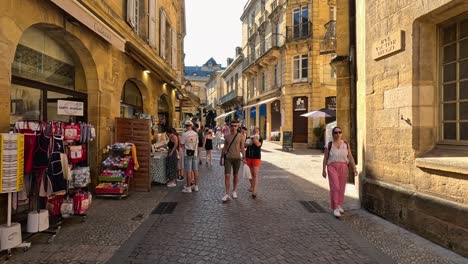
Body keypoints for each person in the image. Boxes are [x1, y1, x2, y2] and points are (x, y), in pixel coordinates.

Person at [322, 126, 357, 218]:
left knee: (341, 187)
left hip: (343, 167)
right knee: (335, 187)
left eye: (339, 132)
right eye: (335, 133)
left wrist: (354, 168)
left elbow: (350, 156)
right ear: (333, 134)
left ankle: (339, 204)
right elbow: (325, 158)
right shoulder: (329, 145)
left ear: (341, 133)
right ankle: (335, 208)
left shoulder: (346, 144)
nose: (338, 134)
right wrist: (323, 170)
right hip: (332, 166)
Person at [220, 119, 246, 202]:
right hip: (228, 158)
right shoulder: (227, 136)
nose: (233, 127)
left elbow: (242, 147)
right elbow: (224, 147)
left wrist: (244, 157)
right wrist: (221, 158)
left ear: (237, 126)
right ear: (230, 126)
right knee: (227, 176)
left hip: (237, 158)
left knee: (235, 175)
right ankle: (227, 194)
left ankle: (234, 191)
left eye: (235, 126)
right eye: (232, 126)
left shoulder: (240, 136)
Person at [180, 120, 199, 193]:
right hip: (195, 153)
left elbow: (181, 145)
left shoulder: (184, 134)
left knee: (188, 171)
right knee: (195, 170)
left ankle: (188, 187)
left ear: (185, 126)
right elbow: (197, 143)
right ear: (191, 126)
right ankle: (196, 186)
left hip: (187, 154)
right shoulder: (195, 134)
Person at [245, 127, 263, 198]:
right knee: (249, 174)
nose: (255, 132)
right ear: (252, 132)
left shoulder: (260, 138)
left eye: (257, 131)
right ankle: (252, 186)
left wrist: (253, 139)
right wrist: (248, 142)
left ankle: (254, 191)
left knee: (255, 174)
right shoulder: (248, 138)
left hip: (256, 157)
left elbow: (258, 144)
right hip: (248, 157)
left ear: (258, 132)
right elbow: (244, 145)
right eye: (254, 131)